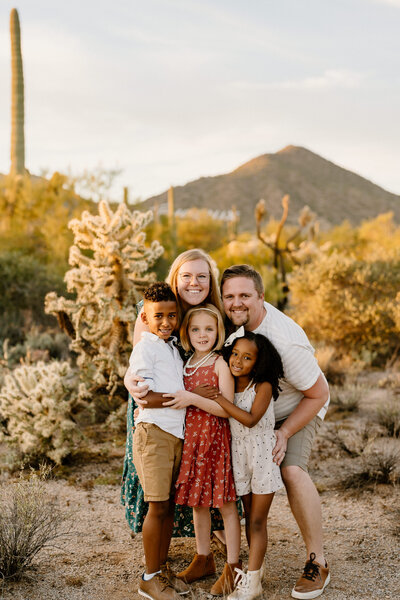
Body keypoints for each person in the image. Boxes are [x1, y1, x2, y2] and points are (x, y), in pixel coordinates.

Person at [220, 265, 330, 600]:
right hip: (253, 415)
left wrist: (284, 434)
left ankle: (318, 562)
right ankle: (241, 559)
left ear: (261, 296)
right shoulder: (232, 327)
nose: (236, 303)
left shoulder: (284, 340)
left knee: (291, 470)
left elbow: (319, 393)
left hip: (295, 410)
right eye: (229, 297)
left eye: (245, 296)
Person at [122, 249, 227, 541]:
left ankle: (208, 536)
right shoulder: (156, 308)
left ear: (211, 281)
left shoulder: (213, 314)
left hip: (196, 406)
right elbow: (138, 361)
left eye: (202, 276)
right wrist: (128, 379)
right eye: (187, 276)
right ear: (175, 278)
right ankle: (157, 549)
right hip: (159, 408)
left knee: (194, 470)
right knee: (160, 482)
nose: (194, 283)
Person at [162, 305, 241, 596]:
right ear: (187, 333)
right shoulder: (186, 363)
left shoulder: (219, 363)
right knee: (198, 503)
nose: (202, 334)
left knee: (225, 503)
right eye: (195, 329)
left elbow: (226, 408)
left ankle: (234, 566)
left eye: (209, 329)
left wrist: (191, 398)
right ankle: (204, 558)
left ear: (218, 332)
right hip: (192, 443)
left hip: (215, 442)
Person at [211, 329, 284, 600]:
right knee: (247, 517)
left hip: (262, 456)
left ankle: (252, 586)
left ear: (259, 362)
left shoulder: (262, 386)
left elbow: (251, 419)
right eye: (235, 354)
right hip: (239, 456)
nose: (238, 361)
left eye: (247, 357)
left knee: (257, 521)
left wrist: (219, 399)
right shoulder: (229, 383)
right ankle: (257, 569)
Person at [128, 281, 189, 600]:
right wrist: (185, 399)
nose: (166, 322)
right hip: (153, 434)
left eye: (171, 315)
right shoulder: (146, 347)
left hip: (175, 434)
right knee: (158, 504)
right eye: (158, 316)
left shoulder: (172, 347)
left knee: (168, 506)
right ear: (145, 319)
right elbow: (145, 398)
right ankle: (148, 578)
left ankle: (161, 568)